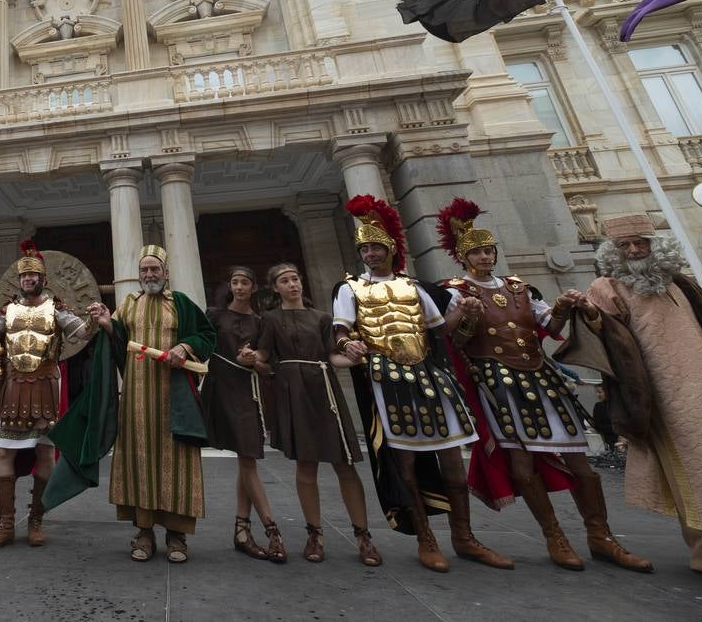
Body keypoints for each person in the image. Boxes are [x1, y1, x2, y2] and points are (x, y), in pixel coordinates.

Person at [437, 198, 651, 572]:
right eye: (478, 252)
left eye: (489, 251)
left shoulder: (520, 288)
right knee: (523, 463)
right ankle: (555, 536)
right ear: (464, 257)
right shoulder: (456, 291)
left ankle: (601, 536)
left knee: (580, 461)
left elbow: (548, 329)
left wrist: (565, 308)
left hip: (541, 378)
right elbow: (455, 342)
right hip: (499, 384)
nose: (486, 257)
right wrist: (465, 318)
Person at [332, 195, 511, 573]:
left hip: (430, 377)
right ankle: (426, 538)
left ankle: (464, 537)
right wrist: (346, 342)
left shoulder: (415, 286)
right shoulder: (349, 289)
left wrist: (463, 311)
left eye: (376, 246)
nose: (370, 253)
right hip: (387, 379)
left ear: (390, 247)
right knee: (407, 463)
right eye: (364, 247)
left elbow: (442, 332)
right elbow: (341, 329)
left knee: (451, 461)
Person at [558, 213, 702, 576]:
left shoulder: (679, 281)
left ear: (653, 244)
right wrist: (590, 316)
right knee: (693, 468)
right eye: (624, 245)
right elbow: (604, 333)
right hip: (663, 392)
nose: (633, 250)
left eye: (640, 242)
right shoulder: (606, 286)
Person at [53, 244, 215, 565]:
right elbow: (116, 338)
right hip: (137, 399)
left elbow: (207, 334)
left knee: (176, 461)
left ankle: (176, 533)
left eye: (155, 269)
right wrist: (105, 321)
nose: (149, 275)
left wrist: (185, 345)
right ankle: (143, 531)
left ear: (166, 273)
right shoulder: (128, 304)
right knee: (138, 461)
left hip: (174, 397)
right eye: (144, 270)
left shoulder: (180, 303)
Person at [0, 239, 96, 551]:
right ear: (19, 280)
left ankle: (36, 521)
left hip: (46, 387)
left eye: (33, 276)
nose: (28, 280)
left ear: (43, 280)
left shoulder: (56, 310)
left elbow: (82, 333)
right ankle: (5, 525)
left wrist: (94, 319)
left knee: (45, 453)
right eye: (24, 276)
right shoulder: (8, 313)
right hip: (14, 388)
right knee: (3, 453)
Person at [257, 262, 380, 566]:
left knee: (344, 464)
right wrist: (250, 358)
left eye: (295, 279)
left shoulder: (323, 318)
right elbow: (263, 355)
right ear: (275, 288)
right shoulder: (270, 320)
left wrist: (354, 356)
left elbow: (333, 356)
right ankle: (315, 534)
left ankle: (363, 535)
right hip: (293, 393)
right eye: (284, 281)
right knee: (306, 465)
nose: (292, 285)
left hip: (324, 390)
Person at [199, 265, 286, 562]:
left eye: (244, 282)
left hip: (248, 391)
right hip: (221, 389)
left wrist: (253, 361)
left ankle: (243, 528)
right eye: (235, 282)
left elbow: (267, 364)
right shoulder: (214, 316)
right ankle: (268, 528)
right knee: (246, 457)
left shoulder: (261, 322)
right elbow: (201, 346)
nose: (238, 287)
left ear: (253, 288)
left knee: (246, 457)